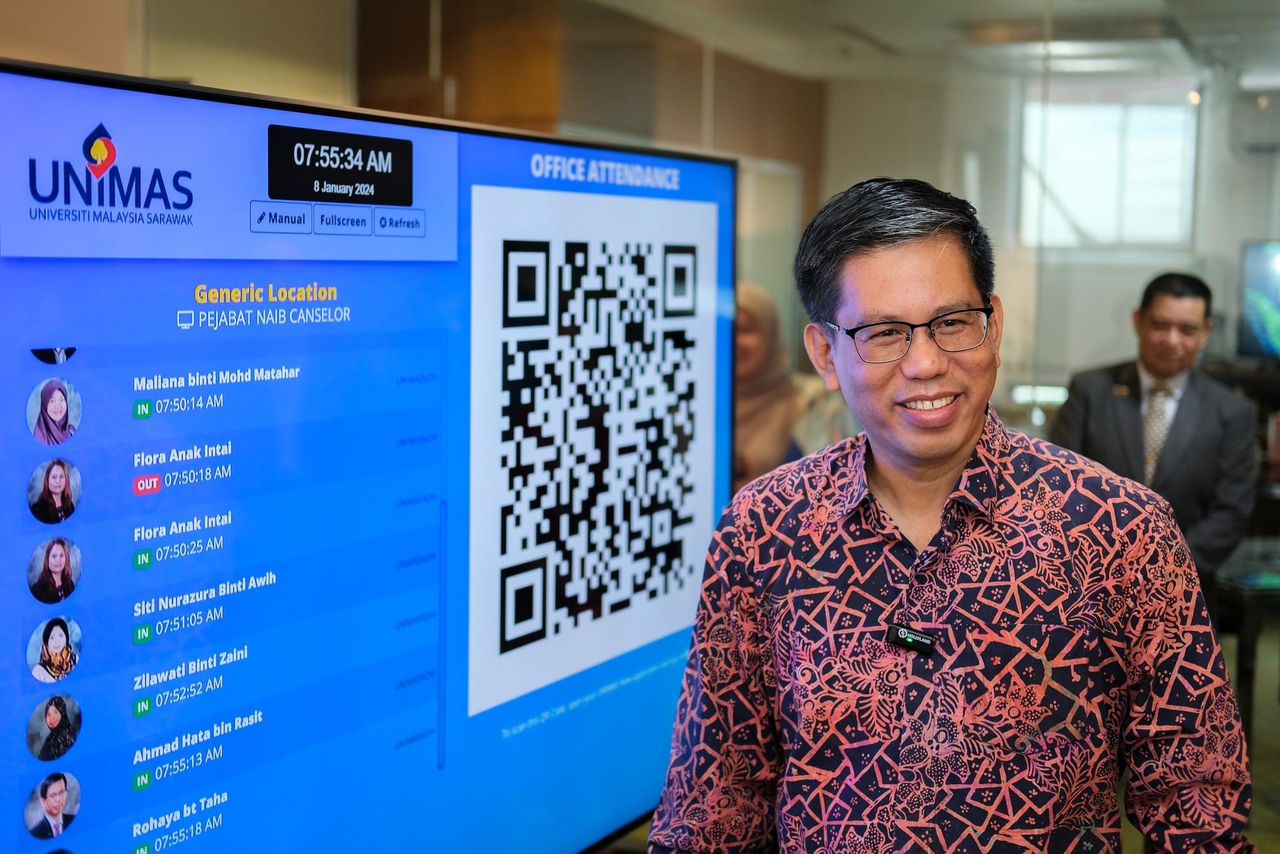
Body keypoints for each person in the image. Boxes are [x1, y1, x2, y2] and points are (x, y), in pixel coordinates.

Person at [649, 178, 1252, 852]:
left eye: (952, 322)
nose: (927, 363)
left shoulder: (1118, 529)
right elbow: (715, 802)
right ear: (825, 354)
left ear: (993, 324)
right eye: (883, 333)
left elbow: (1198, 803)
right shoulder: (766, 528)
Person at [1049, 273, 1257, 592]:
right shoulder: (1090, 391)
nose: (1172, 340)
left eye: (1187, 330)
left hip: (1185, 590)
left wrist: (1163, 568)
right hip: (1089, 583)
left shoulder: (1232, 411)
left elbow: (1231, 512)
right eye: (1160, 325)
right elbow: (1057, 487)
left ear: (1205, 333)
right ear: (1138, 321)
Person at [734, 283, 856, 491]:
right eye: (724, 331)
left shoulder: (818, 405)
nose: (733, 341)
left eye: (745, 329)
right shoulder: (693, 405)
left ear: (770, 334)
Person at [28, 772, 75, 839]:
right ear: (43, 802)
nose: (58, 799)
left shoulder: (74, 820)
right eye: (53, 795)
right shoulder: (35, 833)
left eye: (61, 792)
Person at [31, 618, 78, 684]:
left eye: (60, 635)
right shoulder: (38, 671)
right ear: (47, 643)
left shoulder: (75, 660)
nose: (57, 641)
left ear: (66, 638)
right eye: (52, 638)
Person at [32, 379, 77, 446]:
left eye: (61, 400)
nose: (57, 406)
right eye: (52, 401)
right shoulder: (39, 437)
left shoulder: (72, 431)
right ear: (44, 405)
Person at [30, 460, 76, 524]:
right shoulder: (37, 509)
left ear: (66, 479)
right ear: (47, 480)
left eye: (61, 477)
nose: (58, 481)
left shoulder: (70, 506)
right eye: (54, 477)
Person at [31, 539, 76, 604]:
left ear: (66, 558)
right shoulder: (37, 590)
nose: (58, 560)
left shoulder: (70, 585)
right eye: (54, 556)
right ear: (47, 559)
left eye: (61, 555)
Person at [35, 696, 79, 761]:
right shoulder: (50, 738)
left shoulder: (68, 734)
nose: (51, 718)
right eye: (48, 714)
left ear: (62, 713)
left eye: (55, 712)